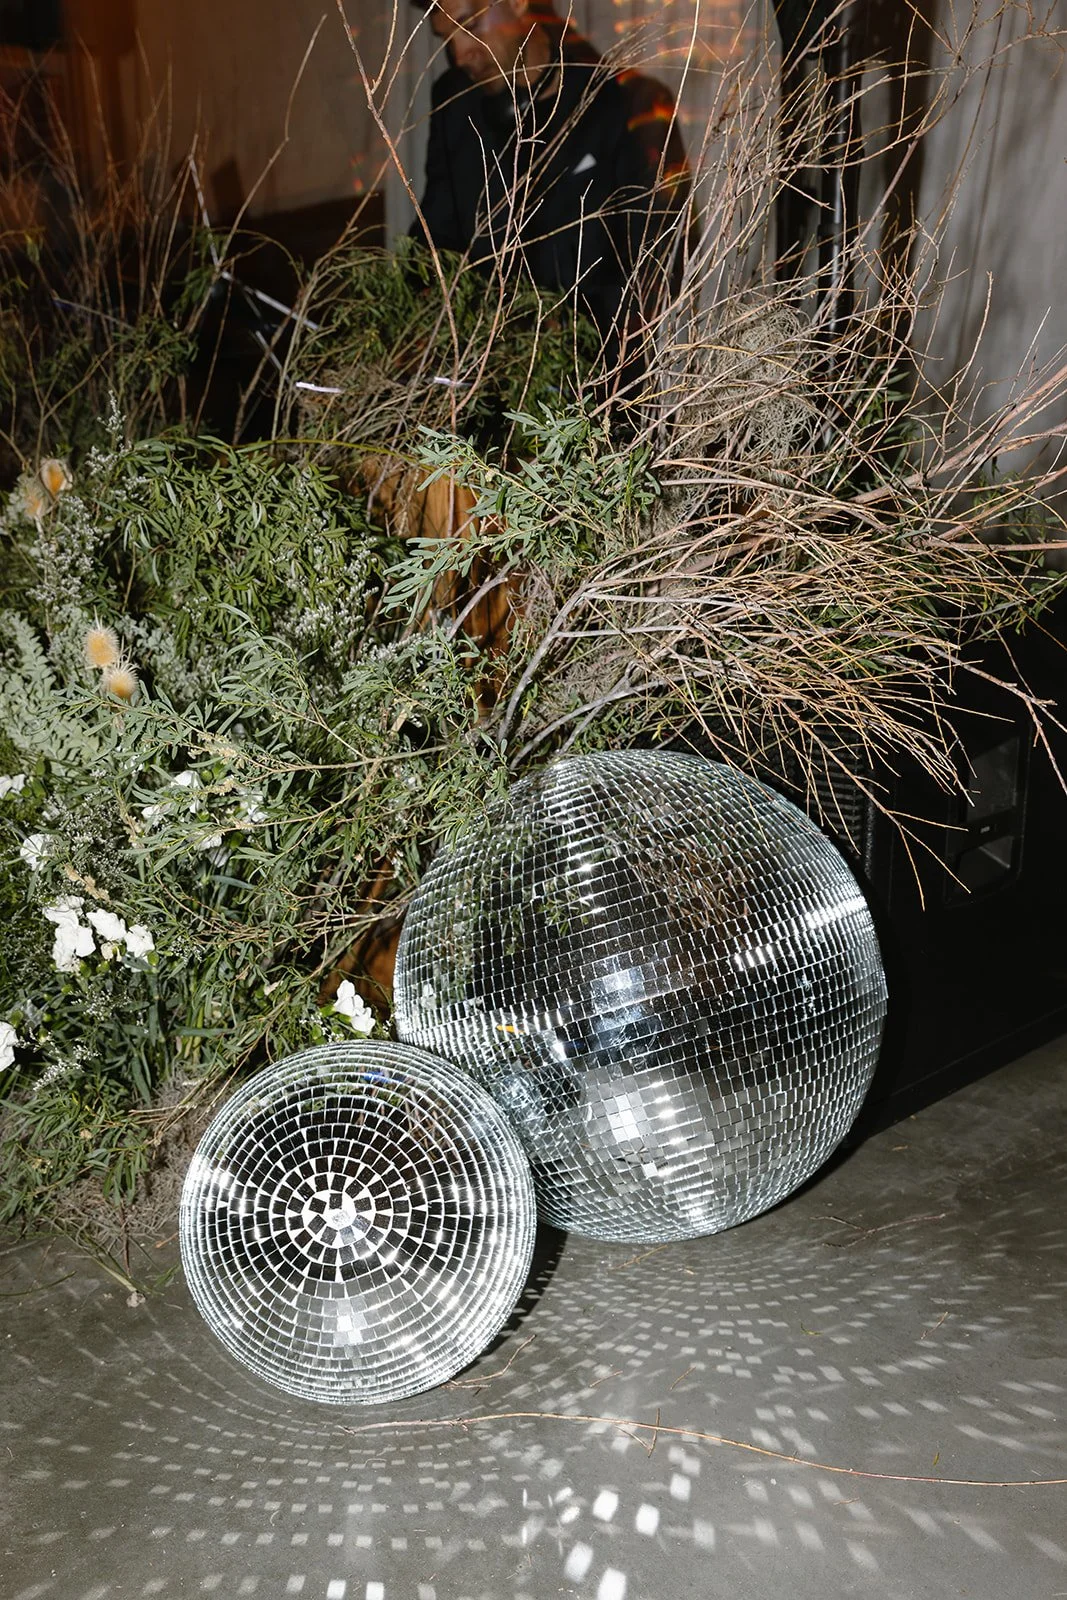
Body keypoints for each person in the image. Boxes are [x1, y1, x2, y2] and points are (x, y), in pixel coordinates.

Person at [410, 0, 689, 354]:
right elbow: (436, 233)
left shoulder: (625, 101)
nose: (461, 54)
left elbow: (655, 264)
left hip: (595, 369)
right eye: (446, 38)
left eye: (469, 25)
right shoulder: (454, 100)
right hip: (485, 371)